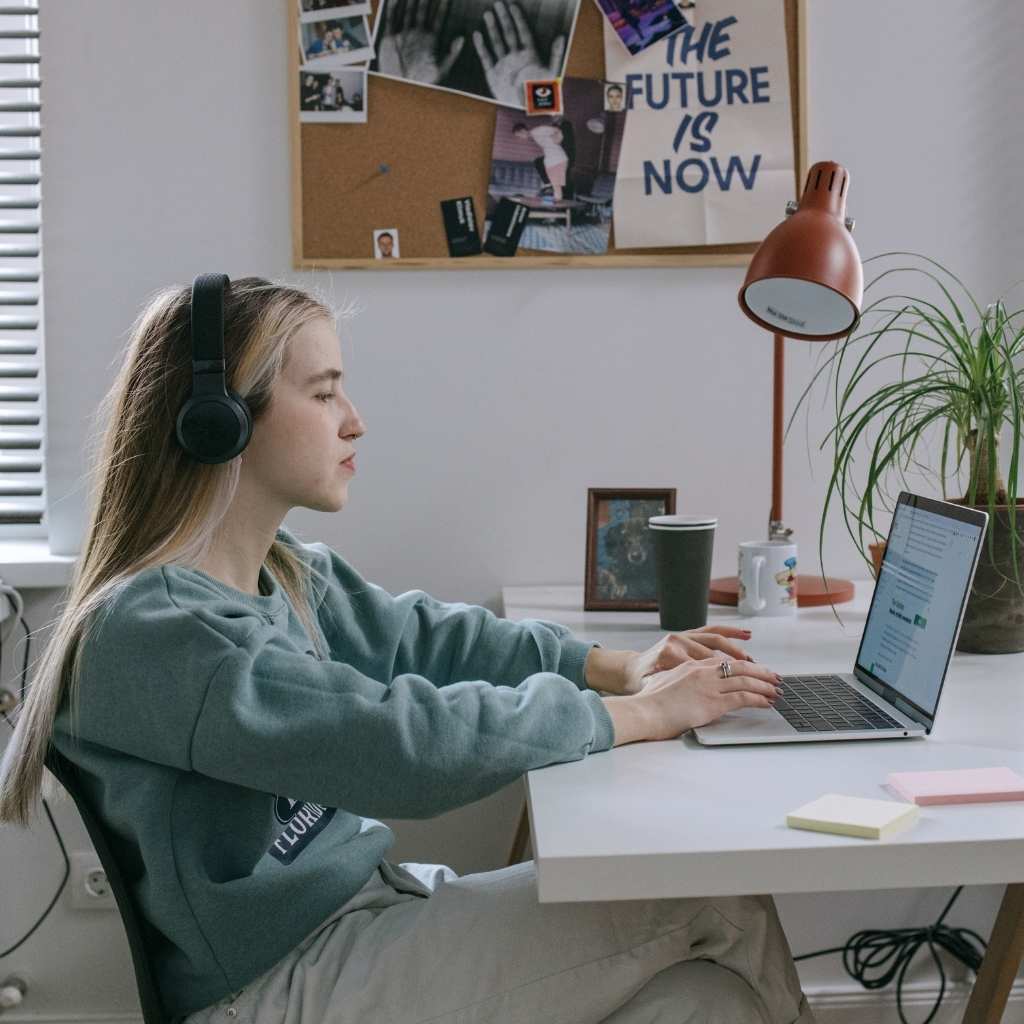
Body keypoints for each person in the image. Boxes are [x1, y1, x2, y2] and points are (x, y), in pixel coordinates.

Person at [0, 278, 816, 1024]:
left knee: (706, 1001)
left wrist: (610, 666)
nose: (354, 419)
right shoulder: (156, 632)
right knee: (721, 901)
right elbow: (399, 745)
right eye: (323, 394)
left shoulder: (280, 571)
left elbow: (429, 637)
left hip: (365, 916)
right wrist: (632, 714)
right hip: (276, 985)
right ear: (220, 424)